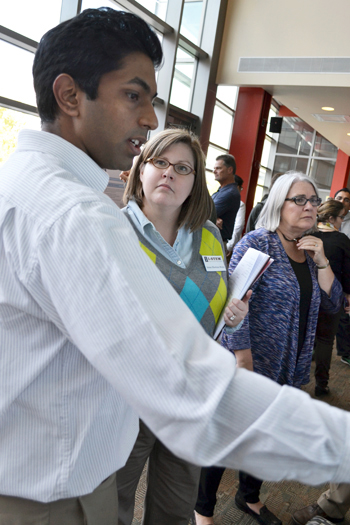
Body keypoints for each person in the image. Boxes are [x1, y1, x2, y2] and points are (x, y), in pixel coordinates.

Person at [2, 8, 350, 525]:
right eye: (134, 95)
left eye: (183, 167)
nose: (148, 117)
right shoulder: (78, 215)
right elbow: (193, 387)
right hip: (55, 491)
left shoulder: (21, 182)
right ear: (70, 95)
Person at [117, 128, 250, 525]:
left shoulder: (209, 234)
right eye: (160, 162)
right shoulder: (112, 231)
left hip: (193, 392)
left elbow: (216, 298)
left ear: (195, 182)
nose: (169, 174)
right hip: (129, 395)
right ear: (141, 169)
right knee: (114, 502)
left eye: (182, 168)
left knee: (176, 507)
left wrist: (234, 311)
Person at [194, 172, 342, 525]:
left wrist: (322, 262)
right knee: (228, 435)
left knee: (266, 435)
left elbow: (333, 303)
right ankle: (203, 509)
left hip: (289, 366)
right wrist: (242, 358)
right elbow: (232, 305)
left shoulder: (311, 247)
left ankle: (249, 497)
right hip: (251, 361)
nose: (309, 206)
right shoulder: (258, 243)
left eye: (313, 200)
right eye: (299, 200)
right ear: (279, 203)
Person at [313, 199, 350, 396]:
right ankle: (321, 384)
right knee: (325, 340)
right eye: (341, 217)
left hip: (307, 295)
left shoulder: (308, 236)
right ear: (330, 218)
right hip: (331, 296)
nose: (342, 221)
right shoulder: (342, 240)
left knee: (303, 337)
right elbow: (347, 273)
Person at [334, 188, 350, 365]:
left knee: (343, 313)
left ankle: (345, 352)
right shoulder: (323, 217)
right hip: (324, 268)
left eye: (346, 200)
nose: (342, 201)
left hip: (343, 271)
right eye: (339, 198)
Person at [211, 154, 240, 244]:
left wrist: (211, 218)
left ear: (229, 170)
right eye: (214, 168)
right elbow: (206, 212)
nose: (214, 171)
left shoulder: (230, 193)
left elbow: (204, 214)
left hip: (216, 242)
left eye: (218, 168)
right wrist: (213, 219)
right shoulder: (221, 191)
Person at [226, 174, 246, 259]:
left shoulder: (217, 198)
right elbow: (238, 226)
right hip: (230, 245)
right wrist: (230, 246)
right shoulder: (240, 204)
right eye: (241, 188)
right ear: (237, 187)